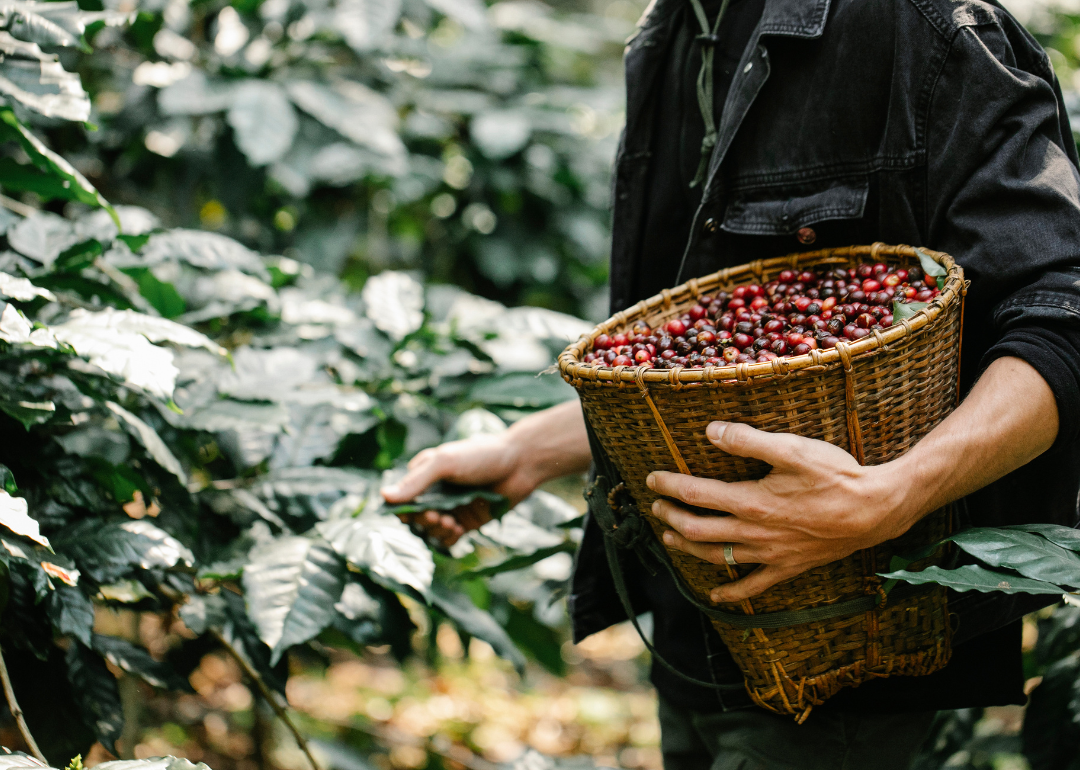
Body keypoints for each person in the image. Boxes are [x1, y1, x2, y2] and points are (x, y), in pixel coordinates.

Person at [383, 0, 1080, 766]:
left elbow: (1062, 320)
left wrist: (895, 493)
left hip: (850, 655)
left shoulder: (917, 25)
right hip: (695, 631)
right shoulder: (674, 32)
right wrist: (523, 454)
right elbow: (699, 372)